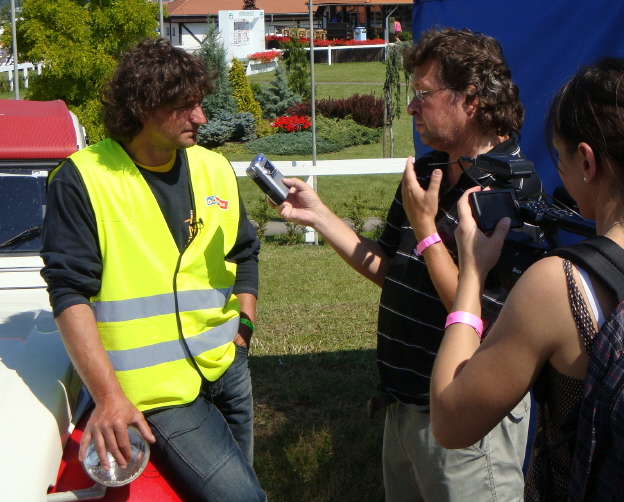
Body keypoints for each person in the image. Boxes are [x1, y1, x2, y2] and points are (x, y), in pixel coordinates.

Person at [274, 27, 532, 501]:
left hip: (466, 425)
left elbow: (480, 319)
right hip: (404, 408)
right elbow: (391, 268)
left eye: (423, 94)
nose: (411, 107)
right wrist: (319, 215)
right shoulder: (429, 169)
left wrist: (427, 229)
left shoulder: (511, 190)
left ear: (471, 99)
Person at [430, 57, 624, 501]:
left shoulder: (561, 285)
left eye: (560, 155)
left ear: (587, 161)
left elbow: (449, 420)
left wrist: (472, 275)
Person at [40, 38, 266, 502]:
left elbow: (244, 252)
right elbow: (68, 293)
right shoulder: (83, 179)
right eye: (185, 107)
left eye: (199, 103)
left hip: (227, 367)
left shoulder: (214, 168)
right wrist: (109, 397)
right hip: (156, 394)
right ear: (143, 107)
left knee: (244, 485)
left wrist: (243, 328)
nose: (201, 117)